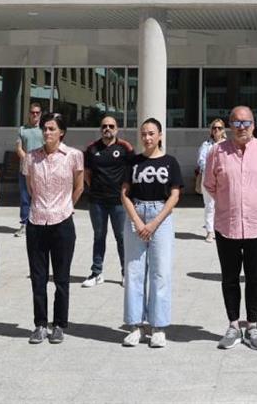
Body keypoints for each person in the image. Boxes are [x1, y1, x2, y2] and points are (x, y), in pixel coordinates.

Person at [203, 105, 257, 351]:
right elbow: (210, 184)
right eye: (236, 123)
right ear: (229, 125)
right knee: (229, 278)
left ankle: (252, 325)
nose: (241, 128)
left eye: (246, 123)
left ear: (254, 125)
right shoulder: (217, 152)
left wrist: (254, 203)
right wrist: (231, 203)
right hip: (227, 224)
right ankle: (233, 325)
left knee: (255, 279)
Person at [121, 118, 183, 348]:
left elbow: (175, 195)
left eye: (151, 133)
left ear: (160, 136)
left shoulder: (170, 162)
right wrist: (137, 220)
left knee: (160, 272)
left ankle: (158, 326)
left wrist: (154, 223)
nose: (147, 138)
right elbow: (125, 193)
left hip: (161, 216)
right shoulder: (133, 161)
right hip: (136, 214)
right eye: (144, 134)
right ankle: (135, 325)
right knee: (134, 271)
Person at [23, 112, 84, 345]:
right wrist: (43, 206)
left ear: (62, 132)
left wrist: (64, 206)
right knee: (38, 278)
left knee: (61, 278)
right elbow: (30, 188)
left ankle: (59, 324)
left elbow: (78, 187)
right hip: (37, 221)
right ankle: (40, 324)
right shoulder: (30, 158)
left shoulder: (74, 156)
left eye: (51, 129)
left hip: (63, 222)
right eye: (45, 129)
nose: (47, 133)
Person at [81, 115, 132, 287]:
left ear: (117, 129)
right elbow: (87, 174)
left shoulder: (125, 148)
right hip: (97, 202)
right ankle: (97, 273)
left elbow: (130, 172)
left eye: (111, 126)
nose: (107, 129)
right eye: (104, 126)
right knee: (99, 236)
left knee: (121, 237)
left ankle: (126, 273)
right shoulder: (92, 148)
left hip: (118, 202)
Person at [14, 104, 45, 237]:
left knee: (41, 197)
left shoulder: (44, 130)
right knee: (25, 197)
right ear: (29, 113)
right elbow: (19, 148)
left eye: (37, 112)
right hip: (25, 170)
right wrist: (27, 160)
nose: (35, 115)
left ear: (41, 114)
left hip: (42, 169)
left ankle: (42, 224)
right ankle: (24, 225)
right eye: (32, 112)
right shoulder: (22, 130)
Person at [195, 119, 226, 242]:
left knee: (223, 206)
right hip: (208, 178)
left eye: (219, 128)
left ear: (223, 130)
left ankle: (221, 230)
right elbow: (201, 161)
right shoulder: (206, 145)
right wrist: (211, 170)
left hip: (223, 179)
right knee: (209, 206)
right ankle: (210, 231)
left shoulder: (227, 144)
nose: (216, 130)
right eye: (214, 128)